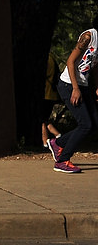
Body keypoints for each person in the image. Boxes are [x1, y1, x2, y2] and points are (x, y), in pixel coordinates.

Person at [47, 19, 98, 174]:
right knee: (85, 125)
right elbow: (70, 61)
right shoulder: (89, 36)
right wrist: (75, 88)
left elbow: (95, 66)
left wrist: (96, 87)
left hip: (83, 86)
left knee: (94, 123)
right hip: (69, 85)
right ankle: (62, 160)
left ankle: (58, 143)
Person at [42, 53, 63, 149]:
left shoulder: (46, 58)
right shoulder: (52, 58)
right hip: (52, 94)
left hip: (46, 93)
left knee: (42, 119)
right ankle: (53, 137)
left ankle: (47, 141)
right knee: (44, 118)